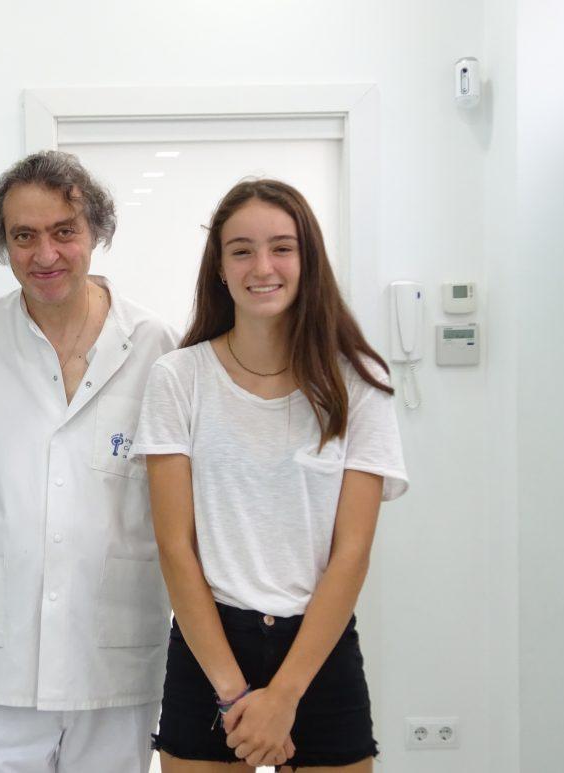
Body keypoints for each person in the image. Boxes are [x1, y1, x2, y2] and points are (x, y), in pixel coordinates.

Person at [0, 150, 176, 773]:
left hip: (113, 652)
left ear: (96, 234)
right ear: (2, 243)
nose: (45, 254)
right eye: (23, 236)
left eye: (64, 232)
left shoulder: (155, 346)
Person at [132, 179, 408, 772]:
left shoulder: (358, 383)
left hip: (319, 651)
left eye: (282, 247)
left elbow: (351, 553)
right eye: (242, 250)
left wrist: (284, 697)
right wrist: (236, 696)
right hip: (210, 649)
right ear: (220, 270)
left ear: (308, 261)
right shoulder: (178, 378)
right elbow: (175, 548)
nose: (263, 266)